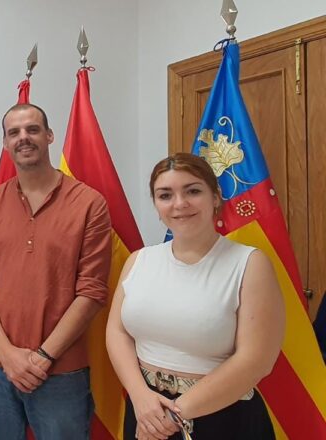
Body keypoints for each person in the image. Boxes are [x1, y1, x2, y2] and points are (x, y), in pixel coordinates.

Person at [106, 152, 284, 440]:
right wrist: (140, 397)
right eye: (165, 195)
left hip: (223, 416)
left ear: (215, 197)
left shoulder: (249, 264)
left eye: (192, 191)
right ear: (156, 205)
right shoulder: (139, 260)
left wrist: (174, 415)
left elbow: (256, 359)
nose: (179, 204)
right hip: (146, 411)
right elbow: (117, 331)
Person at [0, 104, 112, 439]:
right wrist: (6, 354)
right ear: (5, 143)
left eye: (32, 129)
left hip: (60, 370)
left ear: (49, 136)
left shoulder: (89, 204)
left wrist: (44, 357)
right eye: (14, 132)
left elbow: (91, 292)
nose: (24, 138)